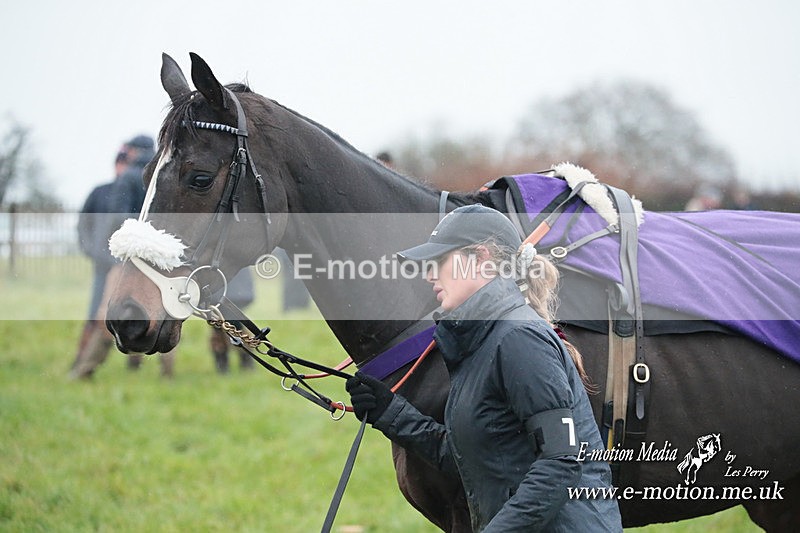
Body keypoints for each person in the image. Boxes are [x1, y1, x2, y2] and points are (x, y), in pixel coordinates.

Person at [346, 204, 622, 532]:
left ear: (481, 258)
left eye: (439, 262)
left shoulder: (520, 339)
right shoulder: (479, 341)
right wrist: (391, 413)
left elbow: (562, 462)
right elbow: (473, 457)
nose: (429, 274)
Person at [70, 135, 176, 379]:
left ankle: (84, 370)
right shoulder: (165, 173)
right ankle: (167, 374)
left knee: (108, 314)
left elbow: (117, 220)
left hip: (128, 259)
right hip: (159, 261)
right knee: (161, 313)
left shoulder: (127, 176)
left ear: (134, 152)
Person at [71, 149, 127, 367]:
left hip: (123, 264)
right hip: (102, 265)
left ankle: (134, 363)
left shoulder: (136, 189)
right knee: (95, 314)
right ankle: (81, 359)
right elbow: (83, 224)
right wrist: (92, 250)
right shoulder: (100, 192)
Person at [210, 268, 256, 373]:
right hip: (219, 289)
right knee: (219, 327)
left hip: (233, 290)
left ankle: (242, 360)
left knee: (233, 327)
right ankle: (225, 362)